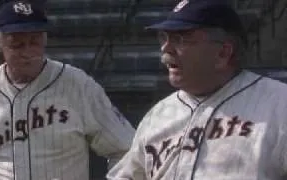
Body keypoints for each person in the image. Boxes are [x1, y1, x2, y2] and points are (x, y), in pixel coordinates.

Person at [107, 0, 287, 179]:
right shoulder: (158, 115)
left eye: (180, 38)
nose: (166, 48)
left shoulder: (279, 104)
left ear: (223, 53)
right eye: (164, 37)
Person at [0, 0, 135, 180]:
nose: (28, 51)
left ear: (45, 39)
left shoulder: (79, 85)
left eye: (35, 42)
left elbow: (127, 149)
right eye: (17, 44)